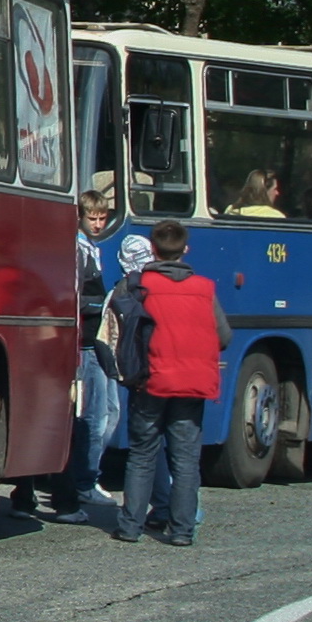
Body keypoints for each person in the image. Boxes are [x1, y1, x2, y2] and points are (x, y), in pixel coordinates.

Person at [112, 219, 227, 547]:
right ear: (185, 249)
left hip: (150, 380)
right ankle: (181, 531)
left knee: (142, 453)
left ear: (153, 248)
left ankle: (130, 526)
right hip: (192, 383)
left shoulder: (137, 285)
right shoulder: (204, 288)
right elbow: (223, 336)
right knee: (186, 458)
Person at [35, 176, 129, 515]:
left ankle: (87, 476)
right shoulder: (76, 248)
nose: (99, 224)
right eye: (93, 218)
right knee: (93, 415)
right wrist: (103, 304)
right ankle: (85, 481)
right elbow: (74, 298)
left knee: (109, 413)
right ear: (80, 217)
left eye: (103, 218)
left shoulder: (93, 247)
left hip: (96, 340)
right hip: (87, 342)